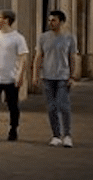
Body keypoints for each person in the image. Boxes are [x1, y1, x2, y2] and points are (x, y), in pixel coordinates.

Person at [32, 9, 79, 147]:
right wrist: (35, 75)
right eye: (49, 20)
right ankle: (56, 135)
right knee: (51, 107)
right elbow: (38, 56)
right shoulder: (43, 37)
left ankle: (68, 135)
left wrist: (72, 76)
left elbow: (72, 58)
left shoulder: (69, 38)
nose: (50, 23)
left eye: (54, 20)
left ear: (61, 22)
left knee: (63, 106)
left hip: (63, 77)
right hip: (47, 76)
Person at [0, 8, 28, 143]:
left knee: (13, 106)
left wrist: (20, 75)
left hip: (11, 77)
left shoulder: (18, 38)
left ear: (6, 20)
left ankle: (13, 130)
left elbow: (23, 58)